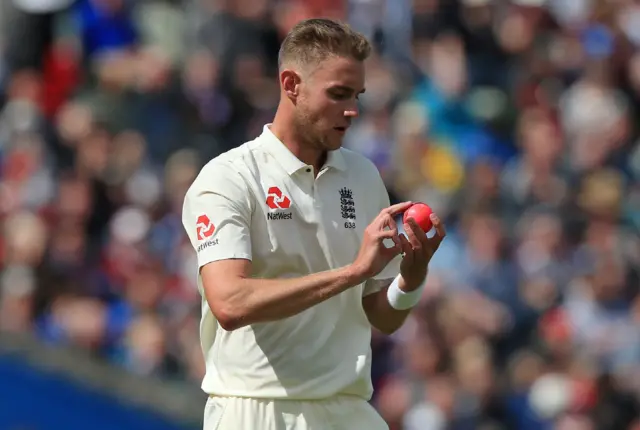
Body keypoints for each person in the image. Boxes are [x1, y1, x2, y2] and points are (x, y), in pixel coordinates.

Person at [182, 18, 446, 430]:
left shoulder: (363, 177)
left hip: (346, 407)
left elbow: (383, 316)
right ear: (291, 85)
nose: (353, 110)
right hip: (255, 408)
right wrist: (354, 272)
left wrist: (411, 279)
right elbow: (230, 303)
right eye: (338, 94)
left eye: (357, 95)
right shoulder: (229, 177)